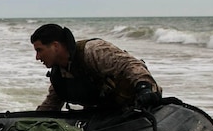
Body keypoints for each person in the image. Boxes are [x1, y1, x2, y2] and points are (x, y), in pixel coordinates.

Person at [30, 23, 161, 111]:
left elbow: (130, 65)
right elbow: (51, 105)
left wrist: (145, 89)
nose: (37, 57)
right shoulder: (59, 75)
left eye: (39, 50)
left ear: (55, 46)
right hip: (105, 113)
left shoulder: (93, 51)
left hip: (138, 105)